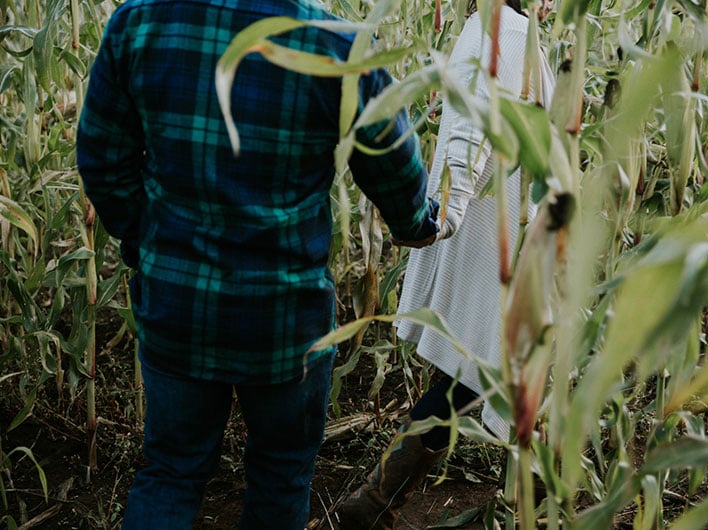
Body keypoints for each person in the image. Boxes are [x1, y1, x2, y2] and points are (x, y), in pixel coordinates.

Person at [75, 0, 440, 528]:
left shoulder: (140, 22)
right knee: (281, 475)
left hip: (178, 305)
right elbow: (397, 174)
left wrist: (149, 250)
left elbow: (102, 163)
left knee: (172, 472)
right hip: (287, 323)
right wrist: (422, 223)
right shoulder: (336, 43)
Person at [338, 1, 554, 528]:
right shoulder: (508, 29)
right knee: (488, 370)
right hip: (495, 230)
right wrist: (453, 210)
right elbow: (474, 127)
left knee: (479, 370)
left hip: (489, 224)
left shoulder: (490, 25)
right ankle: (375, 505)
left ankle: (375, 504)